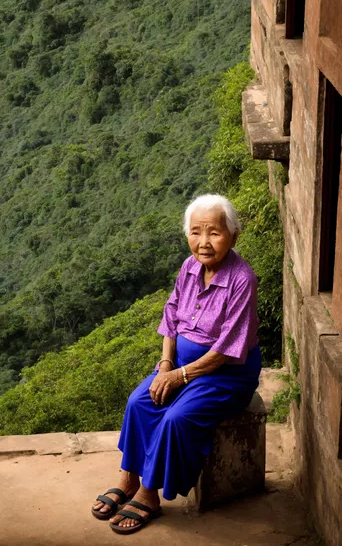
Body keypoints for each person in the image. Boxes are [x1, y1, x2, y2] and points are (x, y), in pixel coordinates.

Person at [91, 194, 261, 534]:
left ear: (233, 235)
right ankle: (128, 479)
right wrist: (167, 364)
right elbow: (171, 318)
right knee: (138, 401)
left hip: (225, 375)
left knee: (175, 418)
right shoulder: (189, 267)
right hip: (180, 365)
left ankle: (149, 494)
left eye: (214, 232)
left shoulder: (242, 280)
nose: (204, 242)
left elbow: (228, 349)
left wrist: (181, 375)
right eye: (196, 232)